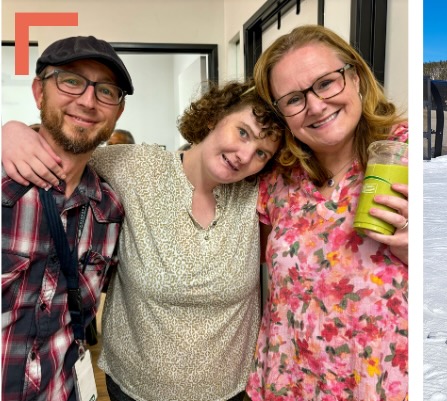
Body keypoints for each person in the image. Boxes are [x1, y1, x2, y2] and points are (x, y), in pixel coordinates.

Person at [2, 81, 283, 401]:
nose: (246, 155)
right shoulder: (138, 168)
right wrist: (14, 131)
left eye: (262, 152)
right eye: (242, 132)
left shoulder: (259, 193)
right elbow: (67, 145)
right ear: (214, 118)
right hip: (135, 389)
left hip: (229, 391)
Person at [248, 25, 410, 400]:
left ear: (354, 77)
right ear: (280, 114)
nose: (316, 106)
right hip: (289, 381)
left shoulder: (403, 154)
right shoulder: (275, 180)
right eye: (293, 99)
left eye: (325, 83)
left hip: (377, 382)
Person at [1, 35, 130, 401]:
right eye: (71, 81)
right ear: (39, 92)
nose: (88, 101)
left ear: (118, 112)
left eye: (106, 91)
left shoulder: (110, 212)